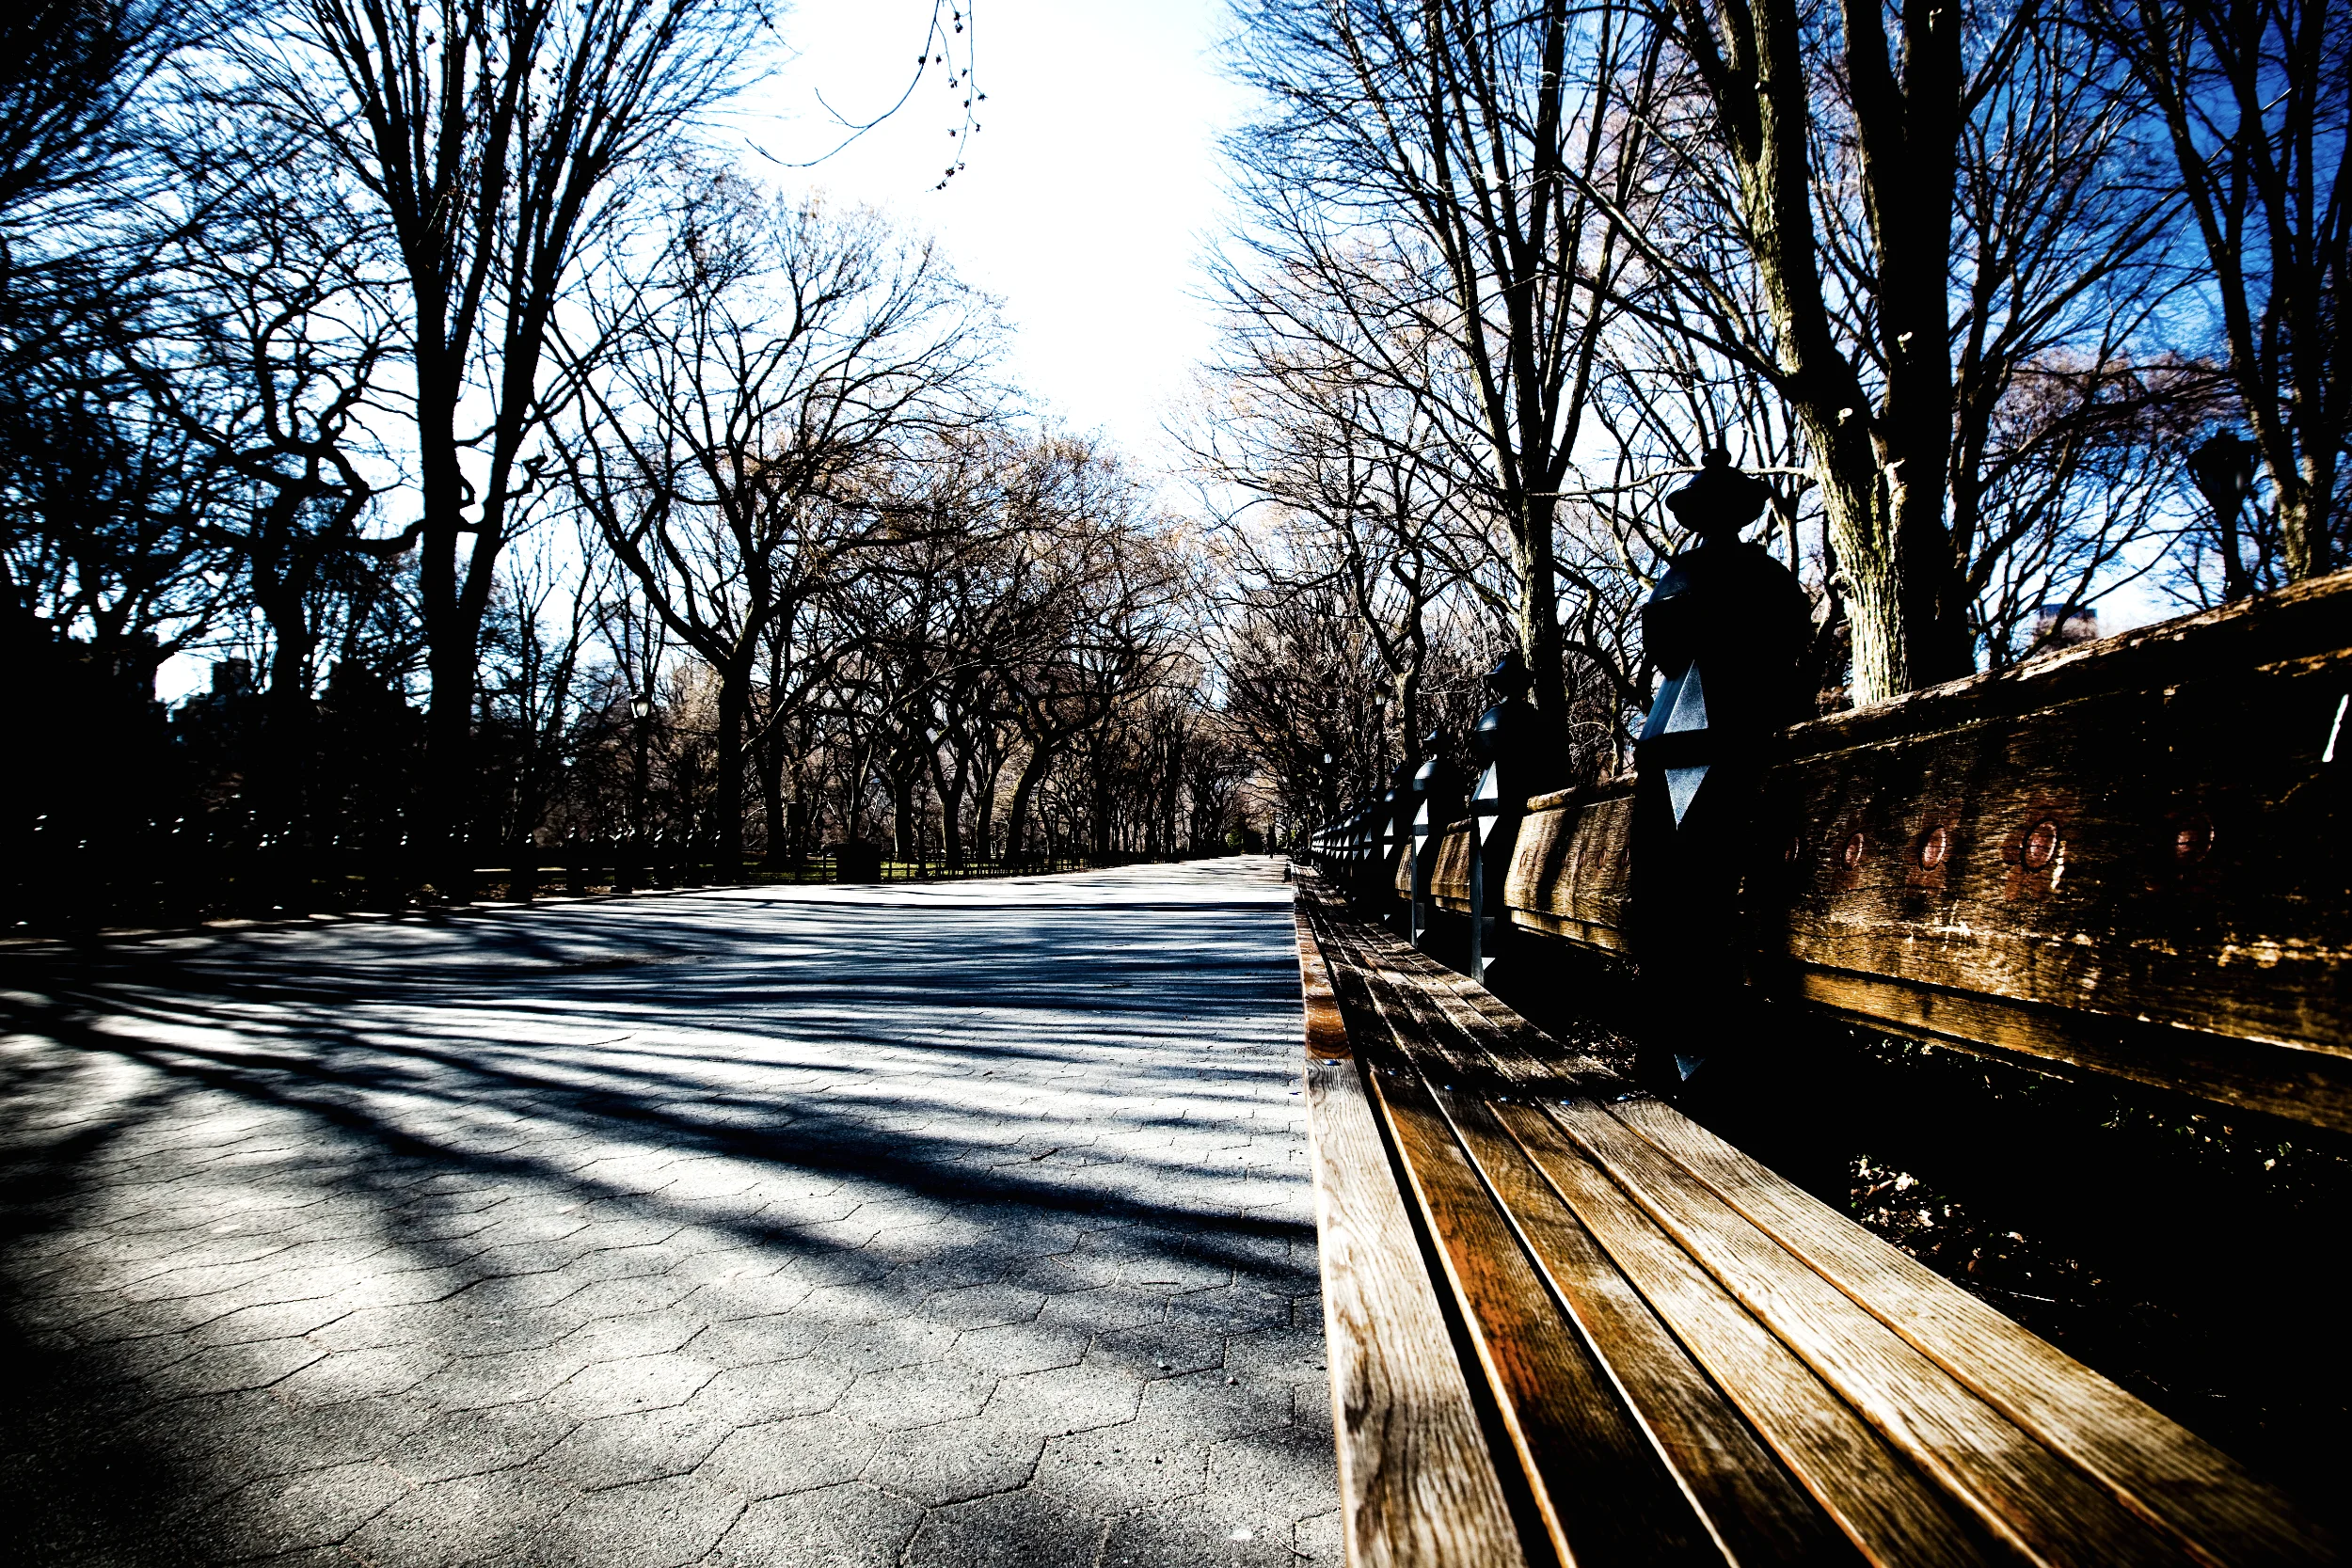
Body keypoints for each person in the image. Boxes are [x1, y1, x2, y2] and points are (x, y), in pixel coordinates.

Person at [1632, 449, 1813, 1090]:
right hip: (1721, 730)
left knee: (1691, 913)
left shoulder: (1694, 587)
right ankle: (1688, 1057)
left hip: (1727, 740)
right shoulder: (1759, 583)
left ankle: (1696, 1065)